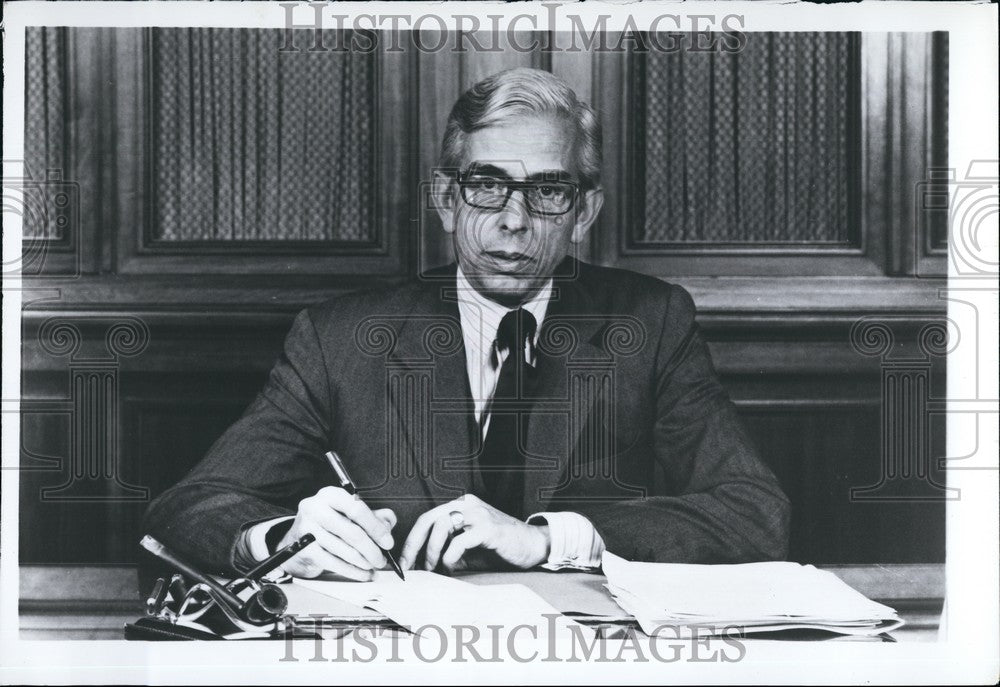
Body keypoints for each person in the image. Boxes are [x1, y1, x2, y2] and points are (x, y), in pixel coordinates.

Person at [143, 68, 790, 580]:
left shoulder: (650, 323)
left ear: (584, 211)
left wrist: (547, 540)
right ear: (447, 199)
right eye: (487, 185)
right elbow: (189, 506)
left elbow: (755, 514)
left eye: (548, 190)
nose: (514, 219)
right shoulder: (339, 338)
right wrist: (287, 538)